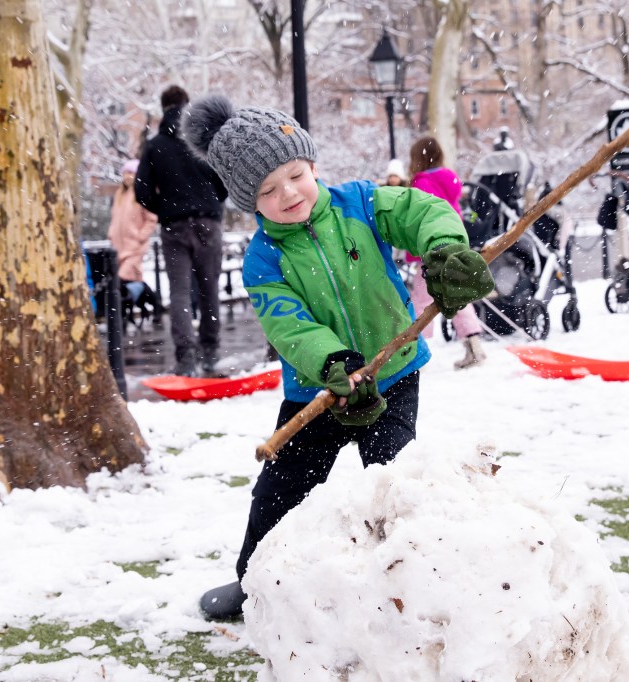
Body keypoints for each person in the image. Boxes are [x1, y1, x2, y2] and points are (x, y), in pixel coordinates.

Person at [180, 95, 494, 620]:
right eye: (267, 190)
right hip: (319, 389)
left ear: (312, 165)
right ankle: (252, 579)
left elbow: (427, 211)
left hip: (393, 377)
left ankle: (406, 580)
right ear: (248, 202)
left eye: (295, 175)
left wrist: (443, 249)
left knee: (391, 482)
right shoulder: (263, 259)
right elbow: (289, 324)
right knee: (280, 491)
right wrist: (333, 364)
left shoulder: (362, 204)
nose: (288, 194)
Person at [135, 85, 229, 377]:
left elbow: (141, 190)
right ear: (188, 105)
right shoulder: (200, 139)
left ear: (163, 109)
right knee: (209, 288)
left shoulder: (154, 146)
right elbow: (223, 180)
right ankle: (211, 352)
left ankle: (186, 357)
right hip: (208, 222)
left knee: (178, 292)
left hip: (174, 225)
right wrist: (210, 202)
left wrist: (164, 207)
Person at [407, 136, 488, 369]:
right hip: (453, 244)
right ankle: (474, 345)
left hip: (431, 249)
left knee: (421, 301)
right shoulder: (449, 180)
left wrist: (413, 250)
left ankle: (414, 349)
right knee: (457, 295)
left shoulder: (422, 183)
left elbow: (417, 219)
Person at [107, 159, 160, 322]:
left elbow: (151, 218)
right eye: (126, 173)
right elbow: (116, 217)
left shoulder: (141, 193)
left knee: (122, 279)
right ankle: (151, 306)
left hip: (135, 246)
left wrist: (140, 236)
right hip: (119, 246)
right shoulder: (119, 194)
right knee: (133, 280)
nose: (128, 177)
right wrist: (111, 233)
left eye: (132, 173)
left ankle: (126, 314)